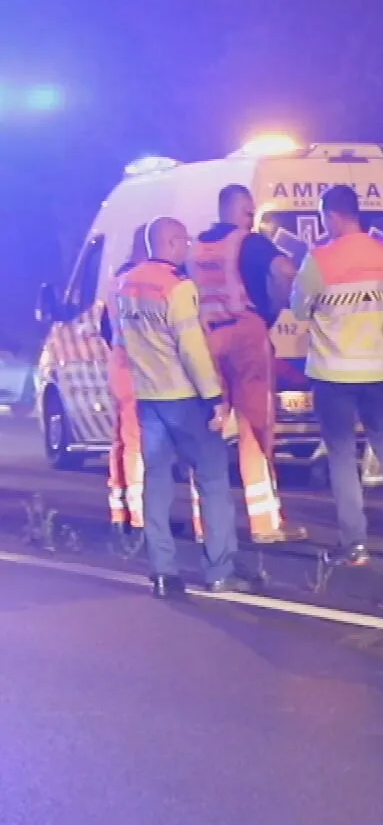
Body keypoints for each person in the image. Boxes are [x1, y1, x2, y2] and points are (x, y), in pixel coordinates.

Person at [113, 218, 251, 598]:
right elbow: (191, 348)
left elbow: (121, 339)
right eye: (184, 240)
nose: (188, 246)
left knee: (157, 482)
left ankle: (162, 571)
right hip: (184, 399)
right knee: (212, 478)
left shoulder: (124, 285)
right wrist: (214, 398)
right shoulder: (178, 287)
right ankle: (220, 569)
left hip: (149, 397)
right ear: (171, 242)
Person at [291, 185, 383, 566]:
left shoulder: (319, 260)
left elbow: (299, 310)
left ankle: (355, 545)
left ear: (332, 215)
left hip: (332, 373)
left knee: (341, 456)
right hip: (375, 370)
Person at [187, 184, 306, 542]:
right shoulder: (249, 242)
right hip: (245, 333)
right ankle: (265, 523)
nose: (251, 219)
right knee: (256, 429)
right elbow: (285, 271)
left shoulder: (196, 248)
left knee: (208, 427)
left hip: (207, 337)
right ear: (233, 210)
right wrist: (277, 306)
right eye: (248, 211)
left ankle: (204, 524)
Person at [102, 231, 152, 535]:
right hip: (137, 364)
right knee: (136, 440)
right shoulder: (141, 281)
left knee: (122, 438)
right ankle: (141, 514)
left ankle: (120, 509)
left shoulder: (119, 279)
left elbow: (107, 327)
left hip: (120, 361)